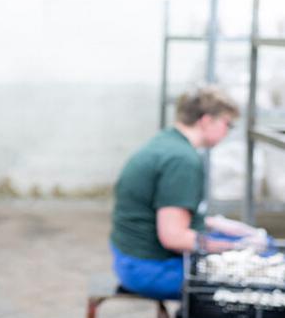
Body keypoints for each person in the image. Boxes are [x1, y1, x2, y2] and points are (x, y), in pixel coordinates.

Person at [109, 85, 269, 300]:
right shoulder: (182, 161)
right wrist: (236, 247)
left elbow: (165, 212)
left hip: (128, 258)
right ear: (206, 120)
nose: (227, 131)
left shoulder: (166, 141)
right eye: (227, 124)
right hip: (152, 270)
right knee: (260, 276)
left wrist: (215, 224)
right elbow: (174, 238)